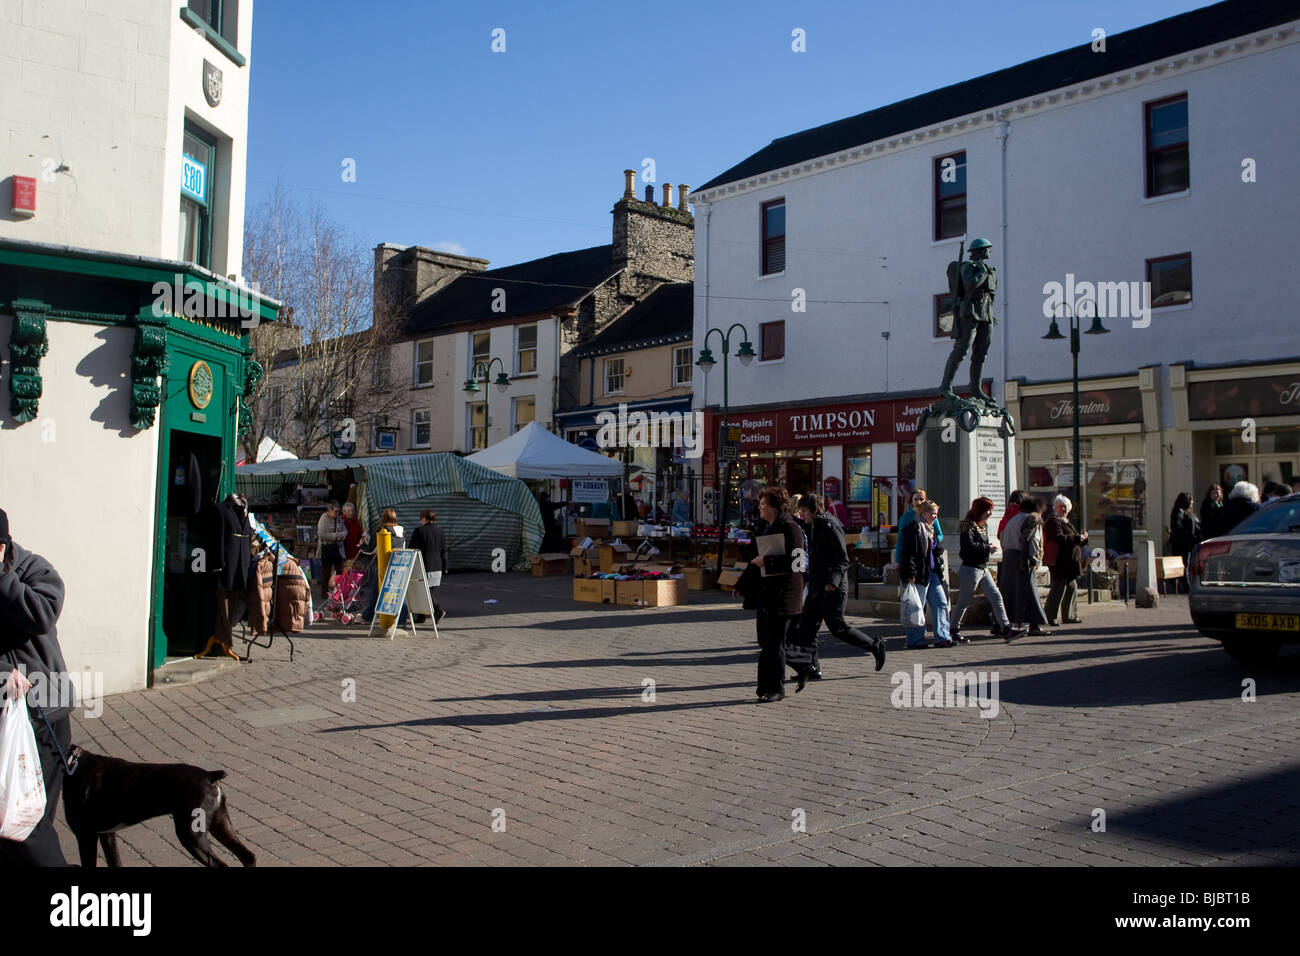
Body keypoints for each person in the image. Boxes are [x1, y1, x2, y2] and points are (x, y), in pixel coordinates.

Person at [0, 508, 73, 866]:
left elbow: (42, 614)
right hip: (5, 715)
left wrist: (1, 579)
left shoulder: (32, 570)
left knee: (31, 818)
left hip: (46, 712)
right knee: (15, 818)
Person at [788, 494, 885, 688]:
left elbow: (842, 559)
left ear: (815, 510)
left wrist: (832, 582)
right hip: (817, 587)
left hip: (833, 588)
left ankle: (875, 645)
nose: (802, 515)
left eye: (805, 511)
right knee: (807, 628)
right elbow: (798, 527)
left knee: (838, 628)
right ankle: (811, 668)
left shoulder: (830, 526)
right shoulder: (813, 525)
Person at [747, 487, 805, 703]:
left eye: (764, 505)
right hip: (767, 593)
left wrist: (768, 562)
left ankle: (776, 687)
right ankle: (767, 684)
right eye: (760, 504)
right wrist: (741, 585)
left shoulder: (791, 528)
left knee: (774, 643)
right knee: (765, 641)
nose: (760, 509)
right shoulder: (768, 527)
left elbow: (797, 562)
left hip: (785, 594)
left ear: (774, 507)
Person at [953, 497, 1025, 643]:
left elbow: (978, 544)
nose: (990, 513)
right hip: (971, 569)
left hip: (982, 568)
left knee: (996, 596)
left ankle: (1006, 628)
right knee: (965, 601)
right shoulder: (968, 524)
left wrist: (987, 547)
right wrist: (988, 548)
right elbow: (968, 546)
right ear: (980, 510)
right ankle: (953, 629)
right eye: (988, 510)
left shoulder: (983, 525)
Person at [898, 500, 952, 649]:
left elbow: (931, 550)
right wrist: (911, 574)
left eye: (936, 514)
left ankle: (942, 637)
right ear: (923, 512)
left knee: (941, 603)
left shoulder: (930, 528)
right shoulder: (915, 528)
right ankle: (914, 640)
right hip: (919, 573)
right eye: (932, 513)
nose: (934, 516)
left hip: (932, 572)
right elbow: (909, 553)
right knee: (917, 606)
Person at [1000, 496, 1050, 638]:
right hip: (1022, 558)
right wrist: (1033, 560)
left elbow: (1003, 537)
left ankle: (1002, 622)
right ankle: (1034, 624)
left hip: (1009, 556)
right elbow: (1033, 540)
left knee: (1009, 592)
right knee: (1029, 592)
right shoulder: (1032, 520)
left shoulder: (1013, 520)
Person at [1044, 495, 1087, 627]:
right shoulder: (1053, 521)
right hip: (1060, 561)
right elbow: (1059, 537)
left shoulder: (1066, 521)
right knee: (1059, 588)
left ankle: (1070, 616)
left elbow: (1073, 538)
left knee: (1072, 588)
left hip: (1070, 562)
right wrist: (1077, 538)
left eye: (1066, 506)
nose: (1064, 509)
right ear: (1055, 507)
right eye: (1061, 506)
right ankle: (1050, 616)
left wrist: (1082, 538)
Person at [408, 510, 449, 624]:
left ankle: (438, 610)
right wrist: (445, 566)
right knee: (428, 590)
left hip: (424, 565)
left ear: (424, 519)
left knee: (425, 591)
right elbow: (444, 550)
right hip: (438, 565)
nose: (420, 520)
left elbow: (412, 548)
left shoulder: (419, 531)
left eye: (421, 518)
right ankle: (421, 616)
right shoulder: (440, 531)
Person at [894, 489, 943, 564]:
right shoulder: (906, 517)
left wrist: (933, 540)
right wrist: (897, 560)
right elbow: (901, 539)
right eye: (915, 499)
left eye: (921, 499)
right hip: (912, 555)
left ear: (925, 500)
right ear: (912, 502)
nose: (918, 501)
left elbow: (940, 535)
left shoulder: (931, 515)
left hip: (929, 555)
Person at [315, 500, 348, 602]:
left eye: (338, 511)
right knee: (326, 572)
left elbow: (345, 530)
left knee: (340, 572)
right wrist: (335, 536)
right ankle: (324, 592)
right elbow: (322, 533)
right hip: (327, 549)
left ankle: (339, 593)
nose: (337, 513)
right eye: (335, 511)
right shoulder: (323, 519)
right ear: (329, 511)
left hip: (338, 549)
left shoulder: (339, 519)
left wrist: (342, 535)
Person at [1167, 492, 1198, 563]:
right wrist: (1187, 536)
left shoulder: (1180, 512)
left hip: (1182, 544)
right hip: (1182, 546)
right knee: (1184, 565)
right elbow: (1177, 528)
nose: (1192, 502)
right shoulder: (1179, 512)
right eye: (1191, 501)